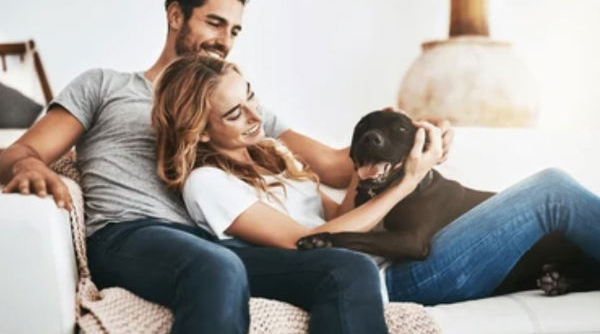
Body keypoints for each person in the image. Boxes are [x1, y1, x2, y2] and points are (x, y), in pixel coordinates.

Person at [0, 0, 439, 333]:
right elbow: (19, 152)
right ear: (176, 15)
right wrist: (29, 166)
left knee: (347, 269)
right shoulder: (106, 86)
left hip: (212, 239)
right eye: (214, 23)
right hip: (132, 234)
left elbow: (334, 166)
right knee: (215, 267)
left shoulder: (239, 108)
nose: (224, 39)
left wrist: (400, 133)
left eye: (234, 30)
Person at [151, 54, 600, 307]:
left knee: (551, 198)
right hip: (393, 281)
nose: (256, 116)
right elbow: (307, 243)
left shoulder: (271, 157)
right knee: (551, 192)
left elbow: (343, 218)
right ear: (200, 130)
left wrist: (371, 166)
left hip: (396, 261)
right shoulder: (207, 184)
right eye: (235, 113)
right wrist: (407, 181)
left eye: (251, 97)